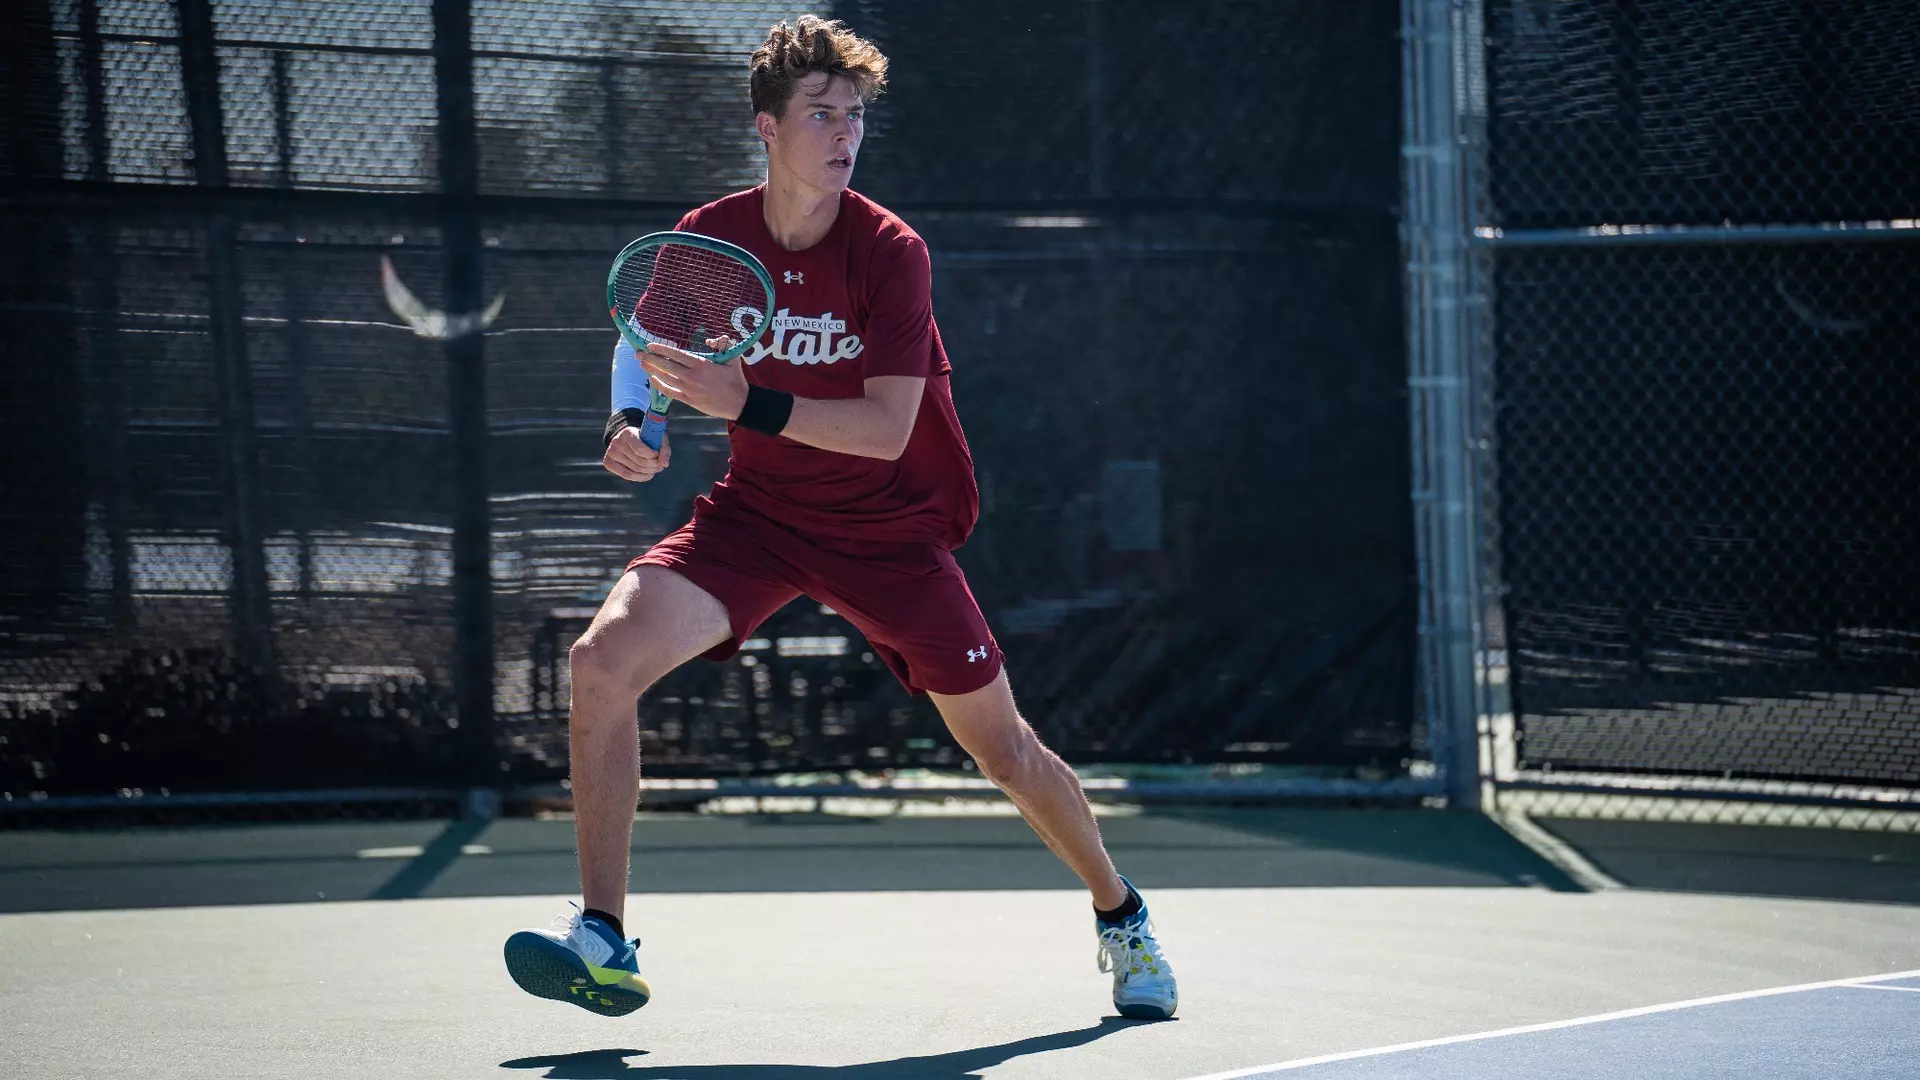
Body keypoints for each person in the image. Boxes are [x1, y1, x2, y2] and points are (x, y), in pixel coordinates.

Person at [503, 15, 1176, 1022]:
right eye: (820, 112)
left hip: (890, 534)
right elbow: (642, 347)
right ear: (768, 127)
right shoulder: (711, 236)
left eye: (853, 113)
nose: (843, 130)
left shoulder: (891, 251)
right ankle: (602, 937)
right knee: (601, 663)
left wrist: (745, 405)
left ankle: (1122, 918)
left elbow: (887, 428)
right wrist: (633, 419)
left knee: (1006, 753)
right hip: (757, 520)